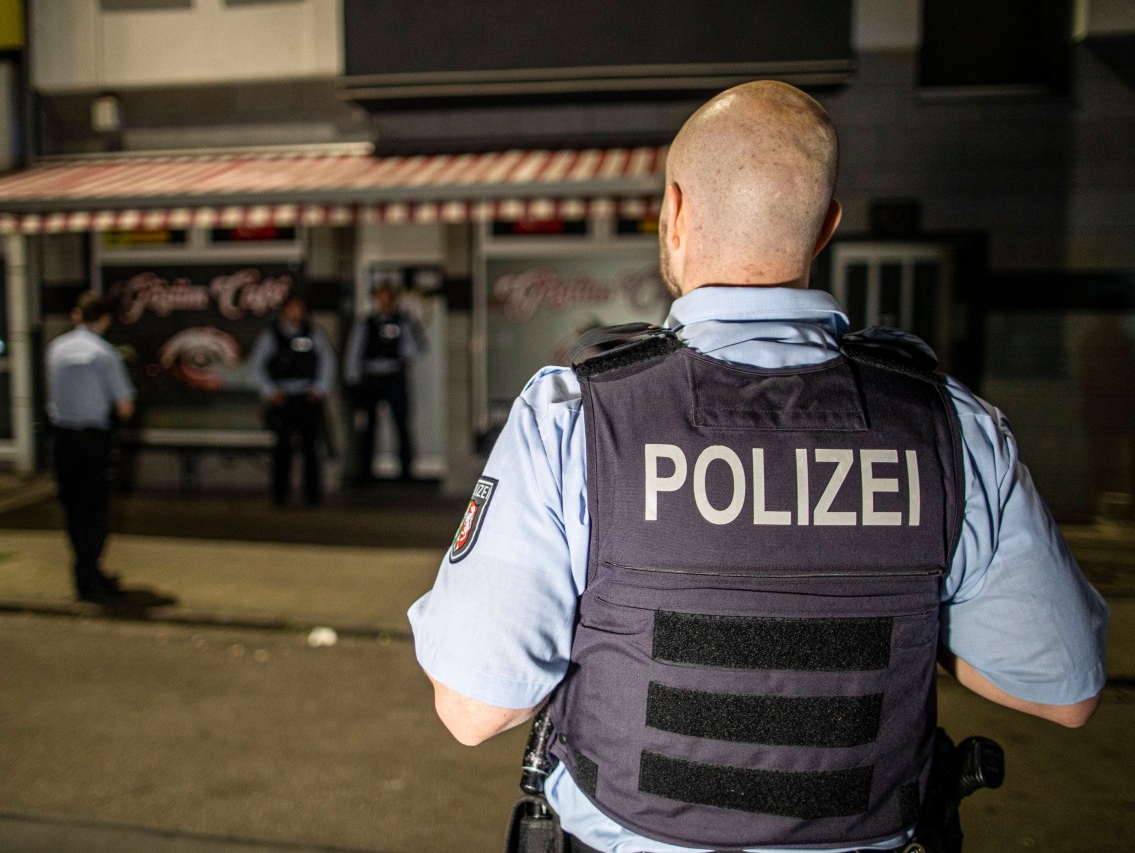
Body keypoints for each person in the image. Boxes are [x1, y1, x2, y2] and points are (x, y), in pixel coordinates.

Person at [408, 81, 1109, 853]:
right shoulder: (950, 426)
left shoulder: (575, 417)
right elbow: (1064, 690)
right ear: (825, 228)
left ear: (674, 213)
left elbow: (474, 708)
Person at [45, 291, 136, 603]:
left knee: (73, 509)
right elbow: (124, 405)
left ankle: (83, 571)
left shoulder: (55, 349)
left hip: (62, 437)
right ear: (105, 319)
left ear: (76, 315)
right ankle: (89, 573)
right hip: (94, 439)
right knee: (95, 509)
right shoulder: (105, 354)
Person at [250, 294, 335, 507]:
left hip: (306, 396)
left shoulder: (313, 334)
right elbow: (256, 366)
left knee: (310, 448)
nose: (297, 313)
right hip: (283, 398)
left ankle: (312, 497)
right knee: (282, 449)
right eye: (293, 308)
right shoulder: (272, 335)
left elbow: (328, 361)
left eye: (301, 309)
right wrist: (271, 391)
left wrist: (319, 389)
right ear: (284, 311)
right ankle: (280, 496)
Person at [344, 281, 422, 481]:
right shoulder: (366, 323)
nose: (384, 302)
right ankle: (365, 471)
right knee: (368, 426)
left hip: (394, 376)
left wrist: (405, 335)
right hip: (371, 378)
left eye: (388, 297)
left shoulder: (402, 321)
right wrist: (353, 381)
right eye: (381, 297)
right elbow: (354, 352)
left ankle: (406, 471)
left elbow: (413, 350)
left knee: (401, 423)